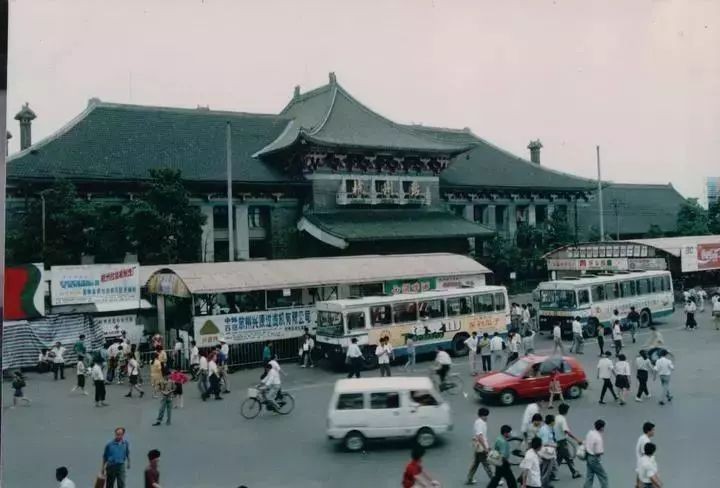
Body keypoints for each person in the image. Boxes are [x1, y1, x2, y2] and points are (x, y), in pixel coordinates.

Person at [465, 407, 493, 485]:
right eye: (486, 416)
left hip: (478, 447)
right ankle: (494, 479)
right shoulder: (480, 423)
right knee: (486, 464)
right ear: (483, 415)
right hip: (481, 448)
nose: (487, 417)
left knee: (475, 463)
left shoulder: (479, 422)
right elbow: (480, 437)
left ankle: (469, 478)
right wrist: (485, 448)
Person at [554, 404, 582, 480]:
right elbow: (566, 431)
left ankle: (552, 473)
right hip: (562, 442)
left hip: (557, 441)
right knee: (568, 457)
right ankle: (574, 472)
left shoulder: (556, 417)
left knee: (559, 458)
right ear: (566, 411)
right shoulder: (562, 420)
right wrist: (577, 439)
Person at [583, 420, 608, 488]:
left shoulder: (590, 433)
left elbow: (585, 442)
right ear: (601, 428)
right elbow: (598, 452)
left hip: (588, 456)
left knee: (589, 476)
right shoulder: (598, 438)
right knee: (603, 476)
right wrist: (602, 452)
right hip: (594, 459)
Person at [538, 415, 558, 487]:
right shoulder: (545, 430)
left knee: (552, 467)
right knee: (547, 469)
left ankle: (547, 480)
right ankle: (544, 483)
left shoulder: (547, 428)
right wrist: (554, 445)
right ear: (552, 422)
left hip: (549, 452)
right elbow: (544, 443)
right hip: (546, 453)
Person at [635, 422, 655, 487]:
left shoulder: (642, 437)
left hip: (641, 468)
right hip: (644, 471)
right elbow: (645, 455)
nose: (654, 432)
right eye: (653, 430)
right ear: (648, 431)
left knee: (638, 485)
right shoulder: (645, 441)